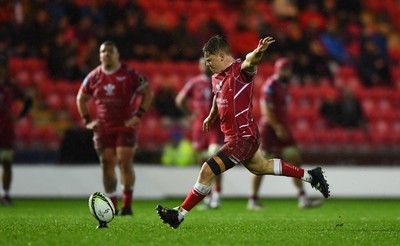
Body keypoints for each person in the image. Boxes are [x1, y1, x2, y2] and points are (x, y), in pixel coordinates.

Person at [156, 35, 330, 229]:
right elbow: (217, 96)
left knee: (207, 170)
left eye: (210, 60)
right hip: (240, 135)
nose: (208, 65)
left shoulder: (241, 71)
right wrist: (211, 115)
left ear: (222, 56)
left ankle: (179, 214)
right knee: (261, 167)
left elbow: (250, 60)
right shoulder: (216, 77)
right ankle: (311, 176)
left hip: (242, 137)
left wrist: (259, 52)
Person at [76, 41, 154, 216]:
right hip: (103, 127)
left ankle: (127, 206)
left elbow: (147, 92)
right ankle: (112, 206)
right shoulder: (94, 76)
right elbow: (81, 98)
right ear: (99, 55)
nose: (106, 54)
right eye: (103, 51)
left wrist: (138, 115)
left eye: (111, 51)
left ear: (118, 55)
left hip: (125, 126)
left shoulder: (129, 74)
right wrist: (87, 120)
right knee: (106, 164)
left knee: (124, 161)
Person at [248, 58, 322, 210]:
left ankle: (303, 198)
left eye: (288, 69)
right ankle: (253, 199)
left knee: (295, 159)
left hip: (282, 128)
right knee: (261, 165)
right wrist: (277, 127)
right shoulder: (271, 86)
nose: (286, 72)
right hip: (270, 130)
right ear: (277, 70)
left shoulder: (285, 86)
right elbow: (265, 108)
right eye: (283, 69)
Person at [175, 57, 225, 209]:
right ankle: (207, 197)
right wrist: (190, 114)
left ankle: (217, 195)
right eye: (202, 64)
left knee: (215, 160)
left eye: (207, 64)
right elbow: (180, 99)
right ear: (199, 66)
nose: (205, 66)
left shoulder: (219, 80)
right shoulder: (194, 83)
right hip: (199, 127)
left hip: (215, 126)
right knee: (202, 162)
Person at [0, 53, 33, 205]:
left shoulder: (11, 86)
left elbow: (28, 100)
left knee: (6, 162)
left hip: (6, 130)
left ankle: (5, 194)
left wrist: (19, 116)